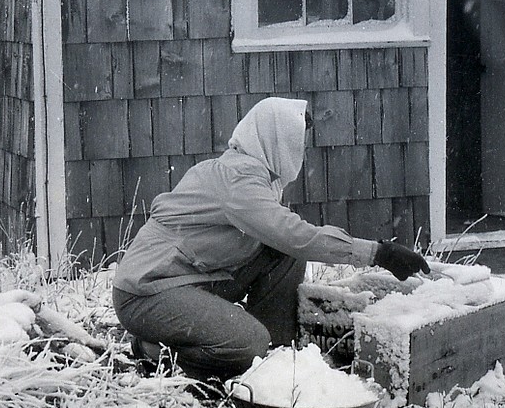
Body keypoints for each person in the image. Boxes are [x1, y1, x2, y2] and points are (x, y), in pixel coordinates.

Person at [112, 96, 430, 380]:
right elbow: (295, 235)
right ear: (275, 141)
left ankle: (272, 358)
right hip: (147, 293)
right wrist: (378, 253)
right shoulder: (238, 182)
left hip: (188, 278)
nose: (300, 150)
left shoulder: (250, 175)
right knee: (249, 342)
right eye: (296, 142)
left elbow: (287, 242)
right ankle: (155, 351)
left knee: (283, 254)